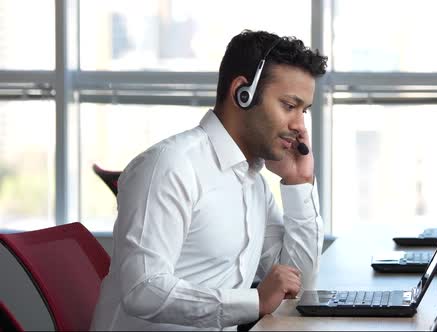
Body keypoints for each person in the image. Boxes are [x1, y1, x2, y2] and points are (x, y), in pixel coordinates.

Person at [90, 29, 328, 331]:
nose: (299, 126)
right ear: (242, 93)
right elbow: (143, 290)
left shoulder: (252, 182)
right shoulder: (170, 166)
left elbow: (297, 284)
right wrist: (254, 301)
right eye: (289, 106)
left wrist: (299, 182)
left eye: (304, 111)